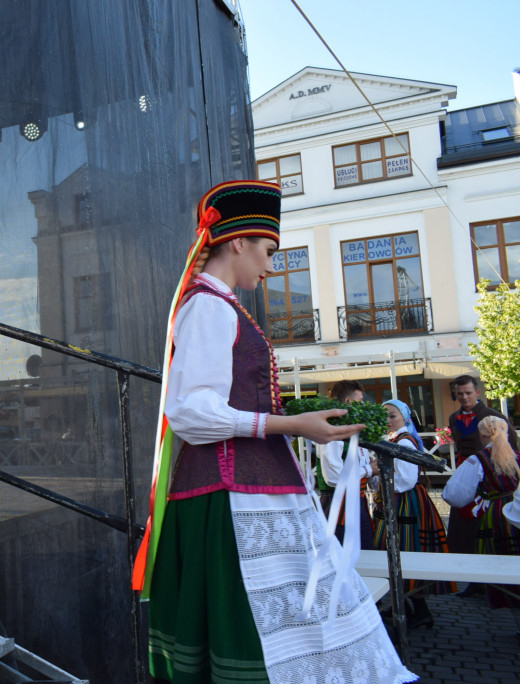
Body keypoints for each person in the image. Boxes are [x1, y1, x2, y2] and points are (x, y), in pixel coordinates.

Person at [133, 180, 414, 684]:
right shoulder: (210, 306)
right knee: (268, 626)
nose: (270, 265)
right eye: (267, 251)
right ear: (237, 242)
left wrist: (300, 418)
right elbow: (191, 412)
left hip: (251, 488)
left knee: (301, 616)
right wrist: (292, 424)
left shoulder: (223, 304)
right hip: (229, 498)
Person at [371, 399, 455, 629]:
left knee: (406, 550)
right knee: (394, 551)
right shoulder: (394, 439)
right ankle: (406, 605)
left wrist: (380, 479)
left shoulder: (405, 443)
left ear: (405, 418)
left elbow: (405, 480)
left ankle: (418, 608)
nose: (388, 420)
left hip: (404, 502)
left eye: (392, 415)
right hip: (394, 500)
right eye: (384, 416)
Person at [445, 375, 518, 595]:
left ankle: (498, 582)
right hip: (467, 477)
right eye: (460, 394)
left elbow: (512, 451)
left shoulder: (494, 417)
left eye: (468, 393)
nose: (464, 397)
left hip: (489, 480)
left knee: (487, 531)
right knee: (464, 532)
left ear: (478, 393)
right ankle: (474, 580)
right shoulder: (454, 417)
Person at [317, 380, 374, 549]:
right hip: (338, 505)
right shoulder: (333, 428)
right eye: (360, 400)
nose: (362, 405)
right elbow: (334, 478)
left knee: (364, 552)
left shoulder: (347, 429)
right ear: (349, 402)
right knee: (342, 555)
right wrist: (369, 469)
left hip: (354, 501)